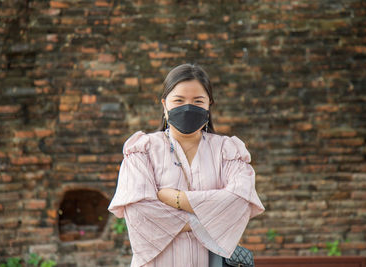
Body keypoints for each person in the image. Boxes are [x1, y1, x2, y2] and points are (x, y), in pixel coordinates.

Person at [108, 63, 265, 267]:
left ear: (209, 105)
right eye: (179, 100)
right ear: (165, 105)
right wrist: (207, 217)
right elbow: (139, 213)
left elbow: (239, 201)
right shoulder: (142, 151)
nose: (188, 107)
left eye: (198, 101)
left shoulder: (228, 151)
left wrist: (178, 199)